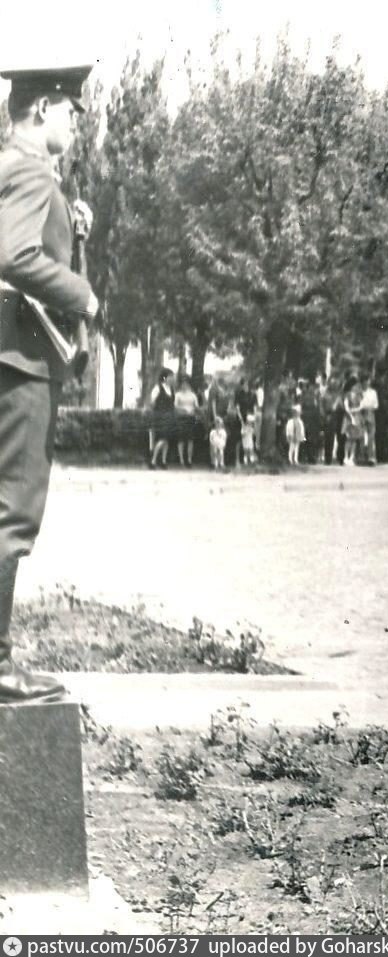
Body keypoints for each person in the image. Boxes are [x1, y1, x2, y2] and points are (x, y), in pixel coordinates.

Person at [0, 63, 101, 702]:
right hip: (22, 362)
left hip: (12, 354)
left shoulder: (20, 170)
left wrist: (70, 220)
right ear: (41, 108)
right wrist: (82, 294)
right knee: (13, 512)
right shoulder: (29, 168)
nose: (76, 121)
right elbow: (13, 254)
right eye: (71, 110)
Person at [149, 369, 175, 469]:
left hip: (170, 417)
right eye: (170, 376)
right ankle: (153, 460)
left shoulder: (172, 389)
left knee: (166, 440)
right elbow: (152, 402)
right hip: (160, 417)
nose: (172, 378)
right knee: (162, 438)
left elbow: (173, 404)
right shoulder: (158, 388)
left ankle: (163, 461)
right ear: (165, 377)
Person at [173, 374, 200, 466]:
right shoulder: (178, 395)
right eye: (183, 383)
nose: (184, 385)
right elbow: (175, 406)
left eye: (186, 383)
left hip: (190, 418)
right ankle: (181, 459)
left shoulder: (192, 395)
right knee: (181, 439)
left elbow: (196, 406)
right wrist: (182, 410)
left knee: (190, 439)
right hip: (181, 418)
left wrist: (194, 410)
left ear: (189, 384)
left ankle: (189, 459)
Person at [342, 378, 364, 466]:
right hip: (348, 418)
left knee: (354, 439)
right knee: (348, 438)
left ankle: (351, 457)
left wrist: (354, 410)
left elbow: (361, 406)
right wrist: (351, 416)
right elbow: (346, 407)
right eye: (355, 385)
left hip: (357, 417)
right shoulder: (347, 395)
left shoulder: (359, 396)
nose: (356, 387)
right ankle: (345, 457)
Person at [361, 376, 380, 465]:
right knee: (362, 436)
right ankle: (361, 457)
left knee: (371, 437)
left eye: (368, 381)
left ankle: (371, 457)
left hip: (371, 414)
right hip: (361, 414)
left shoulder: (373, 392)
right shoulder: (360, 392)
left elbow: (376, 404)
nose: (366, 383)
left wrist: (369, 407)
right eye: (365, 381)